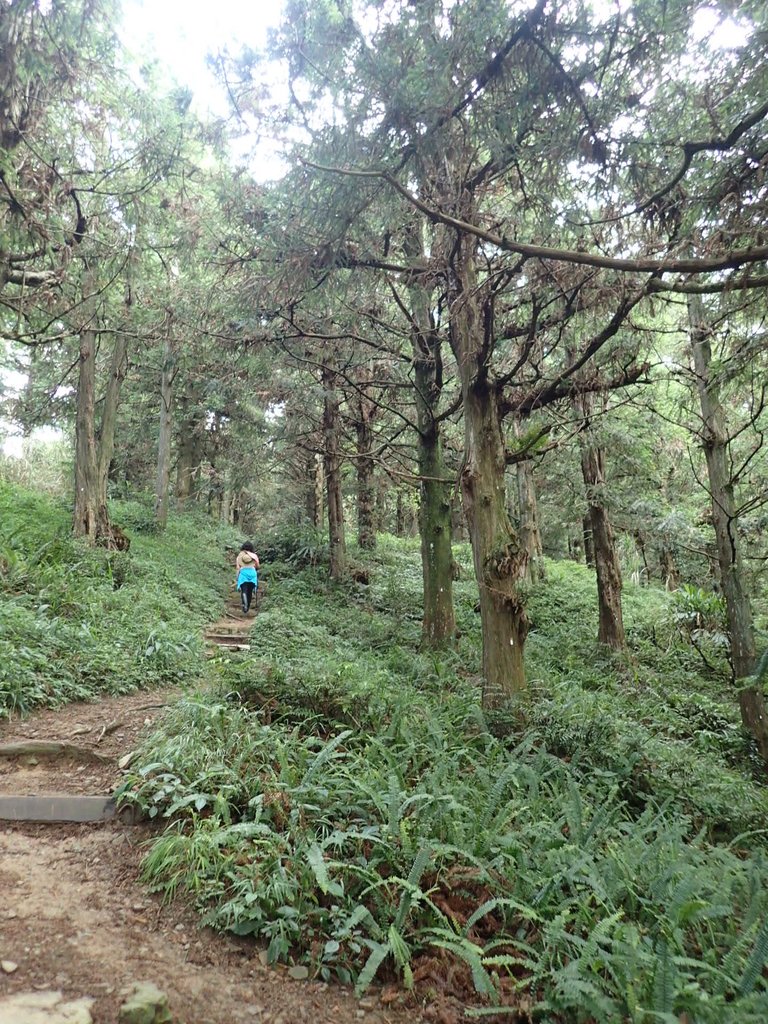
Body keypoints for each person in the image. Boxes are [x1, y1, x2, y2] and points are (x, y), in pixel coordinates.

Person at [235, 541, 260, 615]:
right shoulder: (254, 556)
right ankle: (248, 606)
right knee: (250, 591)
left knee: (244, 590)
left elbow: (237, 567)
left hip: (243, 574)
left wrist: (237, 577)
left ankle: (244, 605)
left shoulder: (240, 556)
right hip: (252, 573)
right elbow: (258, 566)